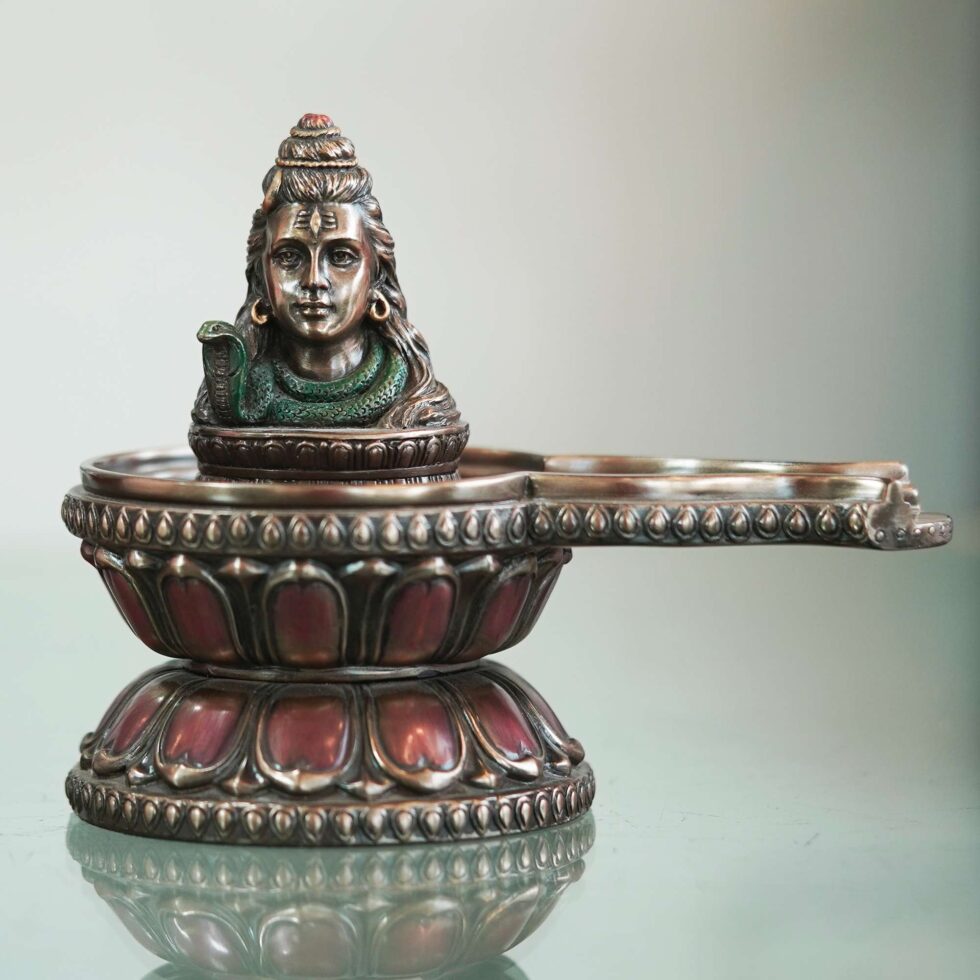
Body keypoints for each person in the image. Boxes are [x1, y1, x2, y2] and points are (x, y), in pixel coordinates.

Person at [193, 114, 459, 429]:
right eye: (289, 257)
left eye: (341, 256)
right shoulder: (234, 403)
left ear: (377, 277)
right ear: (261, 281)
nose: (314, 280)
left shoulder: (418, 407)